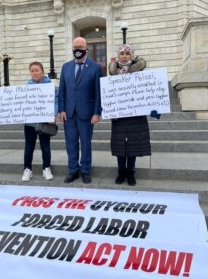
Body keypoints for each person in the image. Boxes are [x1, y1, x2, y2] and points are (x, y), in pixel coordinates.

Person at [58, 37, 103, 184]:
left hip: (87, 113)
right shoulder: (66, 67)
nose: (77, 48)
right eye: (75, 46)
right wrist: (61, 109)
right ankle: (73, 170)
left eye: (80, 46)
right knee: (70, 144)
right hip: (69, 113)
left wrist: (97, 112)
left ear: (86, 48)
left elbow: (98, 92)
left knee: (85, 143)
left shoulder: (95, 67)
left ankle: (85, 170)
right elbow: (62, 91)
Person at [108, 44, 151, 186]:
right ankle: (121, 172)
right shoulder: (113, 73)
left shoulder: (139, 72)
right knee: (120, 145)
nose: (124, 56)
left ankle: (131, 172)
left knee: (133, 144)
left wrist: (152, 108)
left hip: (136, 115)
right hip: (119, 116)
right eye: (122, 53)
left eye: (127, 53)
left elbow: (147, 91)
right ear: (118, 55)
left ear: (132, 55)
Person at [22, 61, 58, 182]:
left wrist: (53, 114)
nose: (34, 72)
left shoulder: (50, 86)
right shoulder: (25, 88)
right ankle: (27, 169)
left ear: (42, 71)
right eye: (32, 70)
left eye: (37, 70)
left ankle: (46, 168)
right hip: (30, 123)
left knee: (45, 146)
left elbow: (56, 101)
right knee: (29, 147)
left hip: (45, 122)